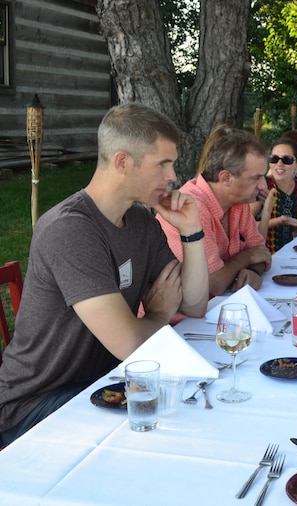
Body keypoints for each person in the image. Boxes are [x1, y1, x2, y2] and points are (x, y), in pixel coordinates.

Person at [0, 103, 209, 445]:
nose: (173, 176)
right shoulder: (70, 230)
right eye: (163, 164)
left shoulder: (141, 221)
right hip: (35, 405)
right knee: (171, 430)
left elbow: (196, 304)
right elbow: (128, 343)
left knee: (190, 416)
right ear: (122, 162)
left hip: (102, 384)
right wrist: (159, 314)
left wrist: (192, 232)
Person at [157, 127, 272, 296]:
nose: (264, 185)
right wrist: (246, 258)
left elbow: (261, 251)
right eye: (256, 178)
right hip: (175, 320)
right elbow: (213, 284)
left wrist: (254, 271)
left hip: (212, 309)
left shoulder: (239, 201)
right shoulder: (192, 206)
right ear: (226, 178)